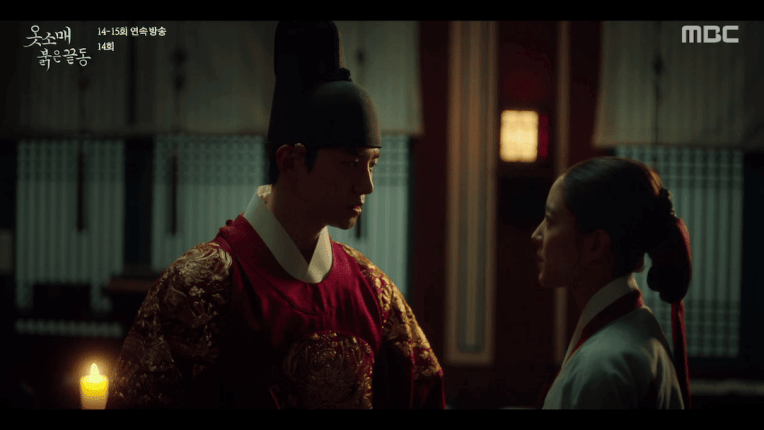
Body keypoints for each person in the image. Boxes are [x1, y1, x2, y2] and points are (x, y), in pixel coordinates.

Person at [106, 21, 445, 409]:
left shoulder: (372, 290)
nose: (366, 185)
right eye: (350, 163)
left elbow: (424, 392)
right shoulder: (201, 285)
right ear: (290, 161)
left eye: (373, 164)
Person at [532, 156, 692, 409]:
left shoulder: (604, 364)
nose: (537, 234)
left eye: (550, 221)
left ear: (595, 244)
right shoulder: (632, 330)